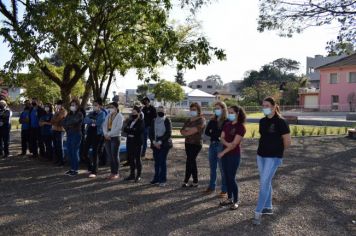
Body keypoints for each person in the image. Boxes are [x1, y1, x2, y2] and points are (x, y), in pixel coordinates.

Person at [252, 97, 291, 225]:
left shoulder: (281, 122)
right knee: (265, 181)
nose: (265, 108)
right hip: (260, 156)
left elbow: (287, 142)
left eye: (267, 105)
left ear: (274, 106)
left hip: (273, 157)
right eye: (263, 106)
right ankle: (268, 207)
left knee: (263, 183)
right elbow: (264, 137)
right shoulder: (262, 121)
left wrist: (278, 154)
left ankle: (258, 212)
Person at [218, 105, 246, 210]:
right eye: (229, 112)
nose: (229, 114)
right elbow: (222, 138)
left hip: (234, 156)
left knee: (231, 178)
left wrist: (223, 152)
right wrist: (228, 144)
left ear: (237, 113)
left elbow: (234, 144)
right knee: (226, 177)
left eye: (231, 112)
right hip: (226, 155)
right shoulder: (227, 124)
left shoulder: (241, 127)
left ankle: (236, 201)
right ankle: (229, 198)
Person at [204, 101, 228, 197]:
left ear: (223, 109)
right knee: (212, 168)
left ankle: (224, 189)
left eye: (218, 108)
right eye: (215, 108)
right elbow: (207, 131)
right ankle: (211, 186)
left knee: (222, 168)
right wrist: (216, 135)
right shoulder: (212, 120)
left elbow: (225, 133)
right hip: (212, 145)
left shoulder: (227, 121)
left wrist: (217, 135)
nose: (216, 110)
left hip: (221, 146)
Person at [180, 103, 206, 188]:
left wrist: (187, 130)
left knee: (191, 160)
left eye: (194, 109)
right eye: (191, 110)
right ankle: (190, 181)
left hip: (196, 144)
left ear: (198, 110)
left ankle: (192, 181)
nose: (192, 111)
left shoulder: (201, 120)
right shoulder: (188, 120)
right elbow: (182, 131)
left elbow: (194, 130)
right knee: (190, 161)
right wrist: (187, 131)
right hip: (187, 143)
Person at [149, 106, 172, 187]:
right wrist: (154, 141)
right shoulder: (154, 120)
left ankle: (163, 180)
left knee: (162, 161)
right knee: (156, 162)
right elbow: (151, 132)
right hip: (155, 142)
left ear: (164, 111)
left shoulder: (167, 120)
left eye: (162, 110)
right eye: (159, 110)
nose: (160, 112)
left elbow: (168, 133)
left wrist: (160, 141)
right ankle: (156, 179)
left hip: (164, 143)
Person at [62, 99, 83, 176]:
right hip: (69, 133)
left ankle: (76, 169)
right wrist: (68, 126)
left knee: (74, 152)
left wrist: (69, 124)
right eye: (71, 105)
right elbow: (63, 122)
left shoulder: (79, 114)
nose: (72, 106)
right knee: (70, 151)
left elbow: (74, 121)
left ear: (77, 106)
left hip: (76, 134)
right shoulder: (69, 114)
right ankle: (72, 168)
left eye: (74, 105)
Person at [102, 102, 123, 180]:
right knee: (110, 156)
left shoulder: (119, 116)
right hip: (107, 137)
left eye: (112, 107)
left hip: (115, 137)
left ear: (116, 108)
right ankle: (112, 172)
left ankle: (116, 173)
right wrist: (105, 134)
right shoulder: (108, 115)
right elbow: (104, 125)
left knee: (115, 155)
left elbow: (118, 128)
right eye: (109, 107)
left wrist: (109, 134)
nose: (110, 108)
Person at [124, 105, 145, 182]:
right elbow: (125, 129)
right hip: (130, 142)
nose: (133, 114)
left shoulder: (141, 121)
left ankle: (138, 175)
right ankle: (132, 175)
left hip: (137, 142)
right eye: (132, 112)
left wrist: (130, 130)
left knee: (137, 159)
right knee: (131, 159)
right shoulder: (130, 121)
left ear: (139, 113)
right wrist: (131, 130)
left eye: (135, 112)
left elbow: (138, 131)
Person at [51, 100, 67, 166]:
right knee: (55, 145)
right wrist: (55, 119)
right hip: (54, 129)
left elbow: (58, 119)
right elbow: (52, 120)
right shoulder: (56, 112)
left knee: (60, 146)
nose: (57, 105)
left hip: (60, 130)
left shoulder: (64, 111)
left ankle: (62, 160)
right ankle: (57, 159)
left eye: (59, 104)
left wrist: (55, 119)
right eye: (57, 104)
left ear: (62, 105)